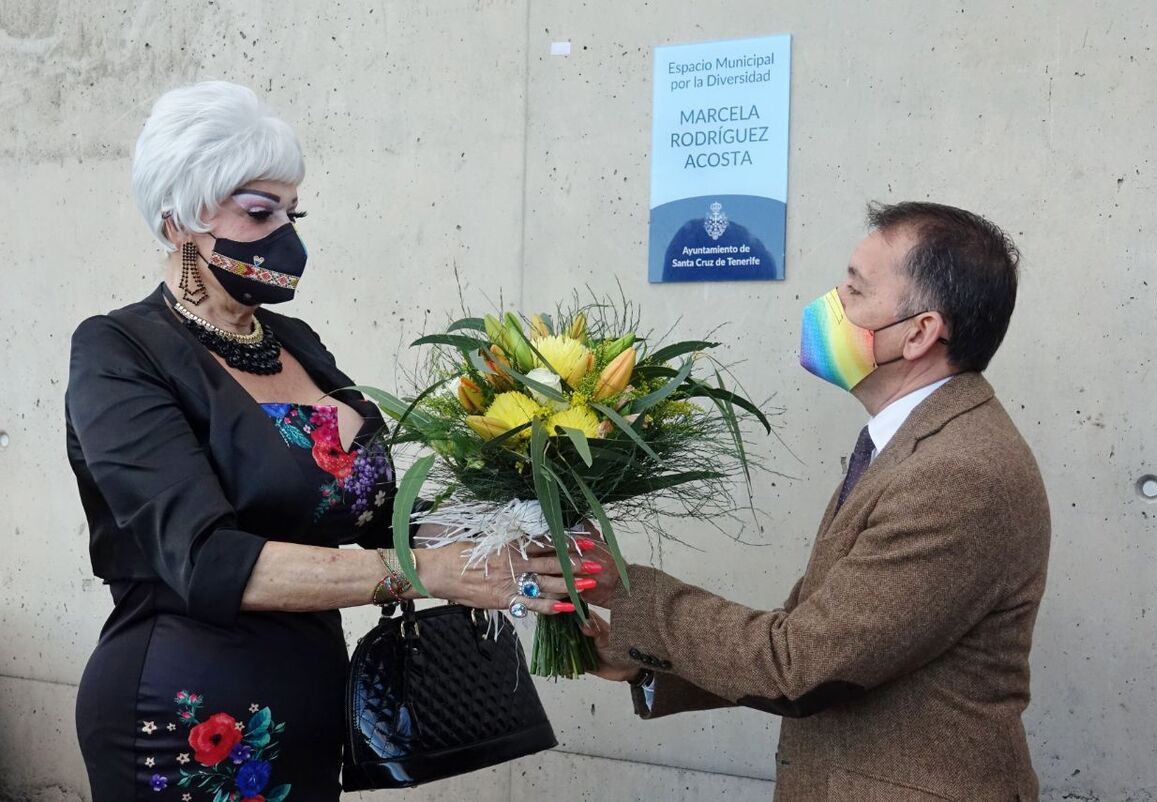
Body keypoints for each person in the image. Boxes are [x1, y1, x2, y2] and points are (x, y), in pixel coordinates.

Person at [67, 81, 574, 802]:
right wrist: (430, 571)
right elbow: (208, 560)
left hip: (312, 712)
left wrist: (509, 528)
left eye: (292, 211)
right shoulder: (120, 350)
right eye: (258, 210)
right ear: (179, 220)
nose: (286, 236)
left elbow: (373, 512)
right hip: (183, 723)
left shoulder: (295, 343)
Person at [562, 202, 1052, 801]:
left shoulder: (957, 474)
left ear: (920, 332)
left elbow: (800, 666)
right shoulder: (907, 442)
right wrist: (642, 664)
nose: (830, 306)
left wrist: (623, 589)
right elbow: (821, 642)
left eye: (854, 290)